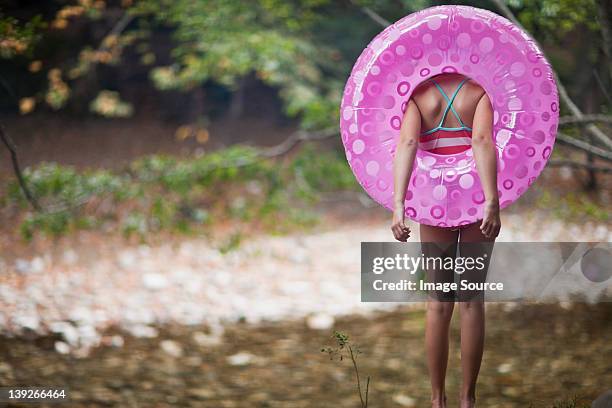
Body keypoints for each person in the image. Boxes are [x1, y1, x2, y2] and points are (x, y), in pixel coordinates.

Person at [391, 73, 501, 408]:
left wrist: (399, 205)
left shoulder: (419, 95)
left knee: (438, 304)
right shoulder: (478, 92)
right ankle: (468, 399)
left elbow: (408, 144)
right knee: (471, 301)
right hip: (474, 197)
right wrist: (491, 201)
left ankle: (437, 400)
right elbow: (481, 141)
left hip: (434, 200)